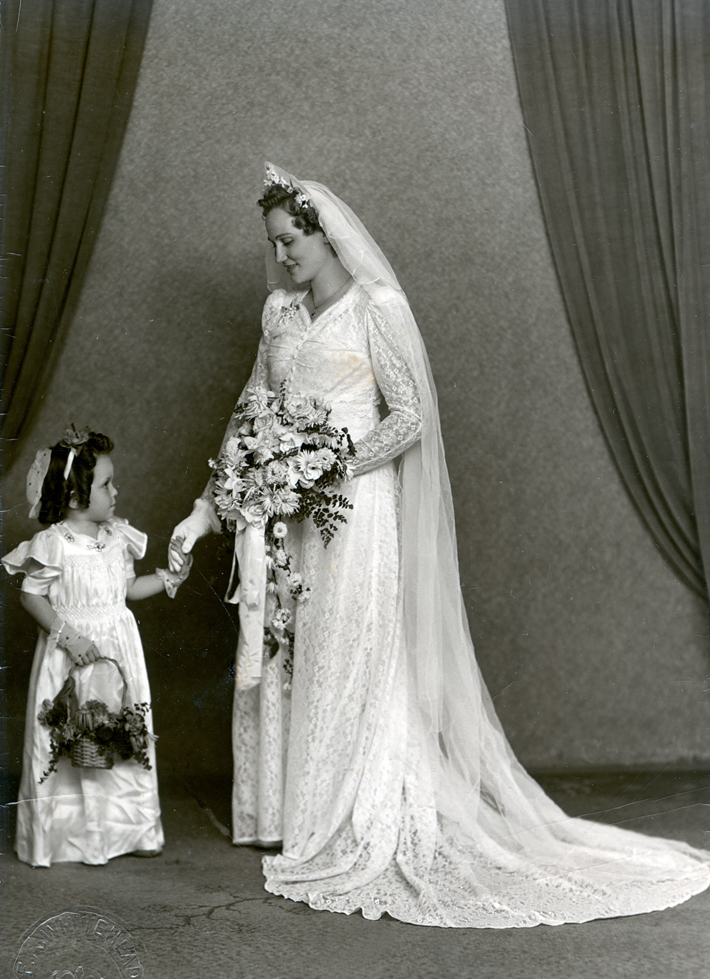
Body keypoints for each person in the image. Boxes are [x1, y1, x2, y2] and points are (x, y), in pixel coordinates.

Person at [169, 164, 710, 926]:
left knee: (350, 649)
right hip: (289, 514)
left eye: (293, 240)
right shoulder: (279, 313)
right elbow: (250, 407)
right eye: (274, 244)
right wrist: (216, 500)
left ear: (327, 234)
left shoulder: (377, 309)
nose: (284, 256)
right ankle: (290, 814)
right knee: (296, 649)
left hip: (355, 509)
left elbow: (410, 417)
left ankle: (350, 812)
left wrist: (327, 465)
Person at [3, 428, 191, 867]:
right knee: (70, 736)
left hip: (117, 654)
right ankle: (68, 839)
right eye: (107, 484)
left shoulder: (118, 536)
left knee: (118, 734)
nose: (116, 491)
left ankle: (124, 832)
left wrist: (167, 580)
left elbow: (127, 589)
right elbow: (30, 596)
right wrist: (68, 636)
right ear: (73, 496)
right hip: (72, 654)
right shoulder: (53, 543)